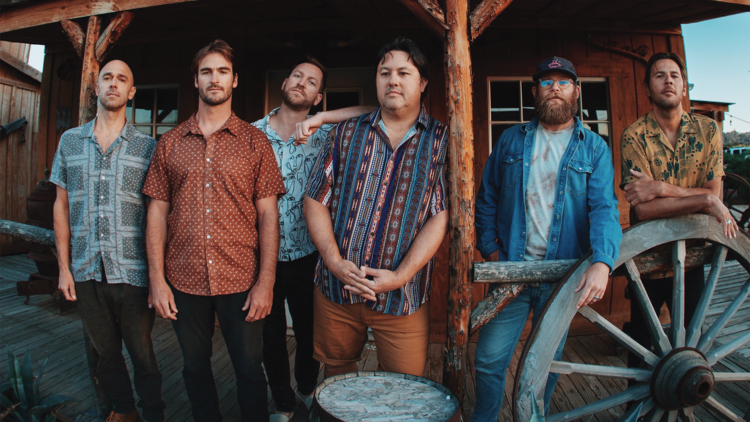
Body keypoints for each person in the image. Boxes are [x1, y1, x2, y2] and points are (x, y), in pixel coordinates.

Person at [143, 40, 285, 422]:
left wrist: (266, 283)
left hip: (241, 277)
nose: (214, 78)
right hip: (183, 280)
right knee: (194, 368)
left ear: (235, 80)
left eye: (222, 71)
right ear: (195, 80)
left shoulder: (256, 143)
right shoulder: (169, 143)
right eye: (207, 71)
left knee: (250, 371)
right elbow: (157, 212)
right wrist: (157, 279)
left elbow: (269, 215)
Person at [473, 56, 622, 420]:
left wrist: (603, 262)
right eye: (546, 81)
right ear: (534, 91)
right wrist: (493, 252)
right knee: (488, 361)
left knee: (545, 367)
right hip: (514, 273)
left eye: (564, 81)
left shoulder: (594, 148)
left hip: (561, 278)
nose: (555, 87)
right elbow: (486, 199)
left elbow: (604, 208)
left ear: (576, 91)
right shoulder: (511, 140)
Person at [303, 37, 449, 379]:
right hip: (336, 289)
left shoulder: (441, 141)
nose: (393, 80)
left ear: (423, 82)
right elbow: (314, 198)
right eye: (384, 73)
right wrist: (334, 262)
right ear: (376, 81)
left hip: (402, 299)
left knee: (404, 385)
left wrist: (400, 276)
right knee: (337, 373)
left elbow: (439, 215)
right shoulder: (344, 134)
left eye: (403, 72)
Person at [251, 56, 373, 421]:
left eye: (312, 82)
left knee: (309, 333)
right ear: (285, 81)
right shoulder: (251, 133)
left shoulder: (328, 133)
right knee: (269, 337)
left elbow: (375, 110)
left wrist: (322, 119)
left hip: (310, 253)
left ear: (318, 96)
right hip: (263, 254)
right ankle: (284, 405)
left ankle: (305, 390)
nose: (302, 83)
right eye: (298, 76)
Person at [51, 60, 165, 422]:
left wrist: (158, 277)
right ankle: (125, 412)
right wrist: (64, 270)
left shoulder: (148, 148)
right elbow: (61, 206)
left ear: (131, 92)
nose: (113, 84)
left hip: (134, 274)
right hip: (85, 272)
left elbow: (157, 215)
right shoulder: (69, 141)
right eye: (107, 78)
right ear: (96, 87)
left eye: (122, 80)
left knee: (144, 357)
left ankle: (154, 414)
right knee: (106, 356)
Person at [620, 52, 736, 373]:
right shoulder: (634, 136)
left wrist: (661, 189)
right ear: (647, 89)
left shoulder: (708, 131)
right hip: (648, 256)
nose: (668, 80)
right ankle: (638, 411)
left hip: (692, 256)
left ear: (684, 87)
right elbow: (644, 210)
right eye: (659, 75)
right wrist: (701, 201)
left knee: (691, 348)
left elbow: (714, 195)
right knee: (642, 345)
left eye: (674, 75)